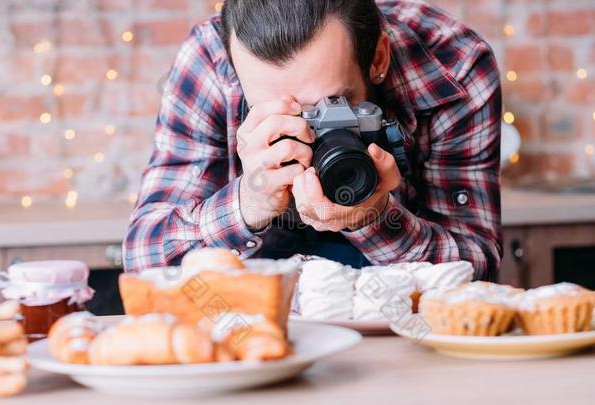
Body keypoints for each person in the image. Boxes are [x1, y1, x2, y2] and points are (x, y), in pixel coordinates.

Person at [123, 0, 502, 280]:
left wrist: (376, 218)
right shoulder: (210, 61)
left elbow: (477, 267)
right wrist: (248, 203)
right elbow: (144, 261)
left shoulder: (454, 65)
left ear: (379, 58)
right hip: (255, 329)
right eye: (278, 110)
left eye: (331, 104)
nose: (311, 130)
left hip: (402, 329)